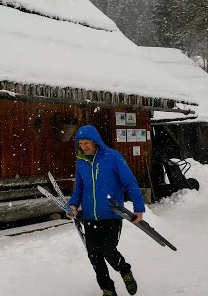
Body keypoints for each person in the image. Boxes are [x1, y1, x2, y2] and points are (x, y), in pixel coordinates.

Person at [68, 124, 145, 296]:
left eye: (87, 142)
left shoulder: (112, 157)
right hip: (89, 216)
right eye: (81, 143)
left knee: (108, 251)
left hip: (111, 214)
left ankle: (124, 271)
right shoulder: (81, 162)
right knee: (94, 256)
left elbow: (130, 182)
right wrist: (73, 204)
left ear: (95, 141)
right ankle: (107, 289)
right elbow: (79, 187)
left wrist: (138, 207)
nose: (84, 147)